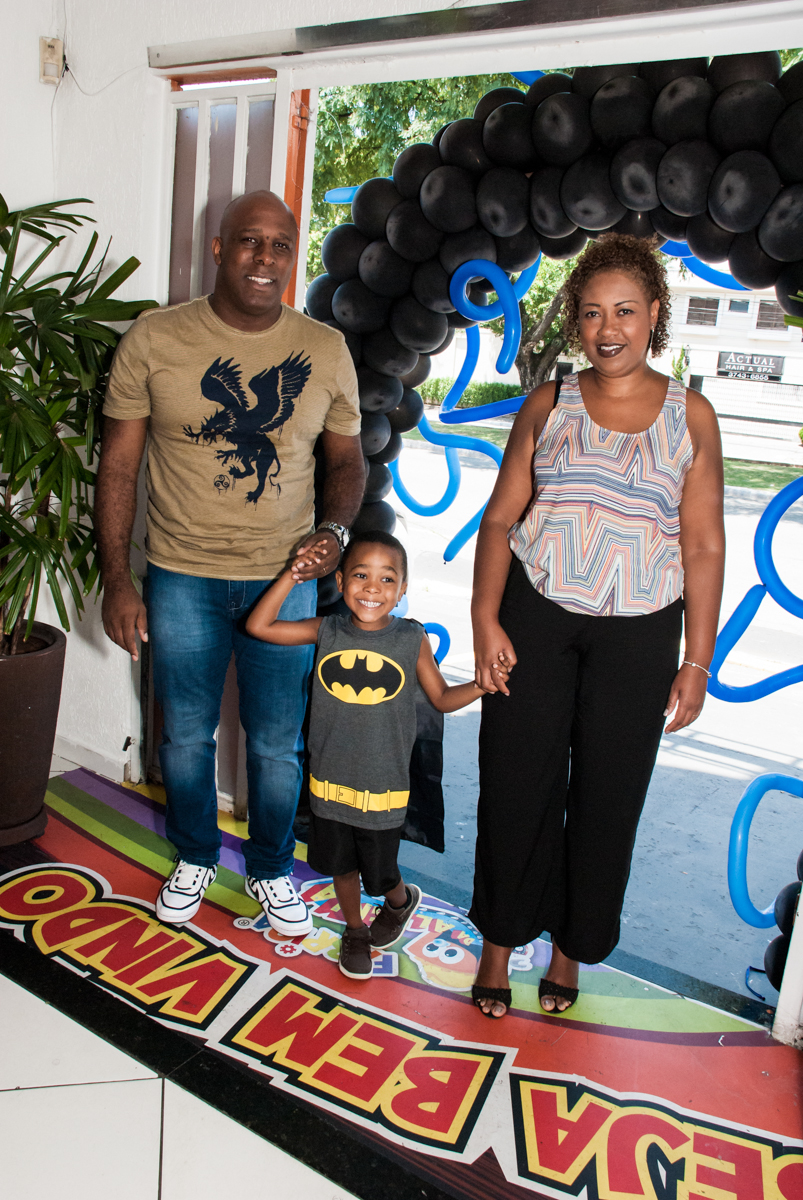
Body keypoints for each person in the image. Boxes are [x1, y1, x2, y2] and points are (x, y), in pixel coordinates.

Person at [469, 234, 725, 1018]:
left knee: (608, 797)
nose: (606, 326)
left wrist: (696, 662)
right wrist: (484, 617)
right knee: (516, 782)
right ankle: (497, 946)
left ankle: (572, 953)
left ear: (654, 315)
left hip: (639, 633)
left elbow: (705, 542)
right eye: (590, 312)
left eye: (623, 310)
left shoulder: (692, 416)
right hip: (535, 619)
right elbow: (500, 518)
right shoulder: (549, 403)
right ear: (575, 322)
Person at [95, 190, 365, 934]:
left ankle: (274, 870)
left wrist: (335, 535)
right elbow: (117, 468)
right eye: (250, 242)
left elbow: (346, 461)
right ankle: (194, 854)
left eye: (280, 246)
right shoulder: (155, 339)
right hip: (180, 573)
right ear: (218, 248)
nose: (265, 259)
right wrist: (119, 580)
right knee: (185, 736)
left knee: (277, 742)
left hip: (286, 582)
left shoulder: (323, 349)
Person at [245, 530, 499, 979]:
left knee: (380, 874)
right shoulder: (327, 629)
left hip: (383, 787)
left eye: (387, 579)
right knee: (341, 866)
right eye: (361, 575)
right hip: (330, 782)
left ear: (402, 590)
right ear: (341, 581)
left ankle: (399, 901)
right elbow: (259, 626)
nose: (372, 589)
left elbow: (439, 697)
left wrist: (481, 684)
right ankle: (356, 930)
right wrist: (293, 574)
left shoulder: (409, 639)